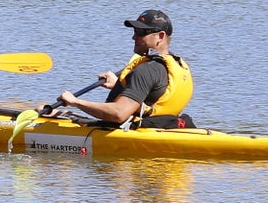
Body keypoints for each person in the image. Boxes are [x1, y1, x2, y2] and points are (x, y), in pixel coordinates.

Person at [54, 8, 195, 128]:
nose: (134, 37)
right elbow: (155, 94)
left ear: (160, 36)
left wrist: (75, 102)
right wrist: (120, 84)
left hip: (132, 130)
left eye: (141, 32)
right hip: (164, 126)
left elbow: (118, 114)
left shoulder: (146, 70)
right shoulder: (175, 64)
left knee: (45, 110)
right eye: (135, 31)